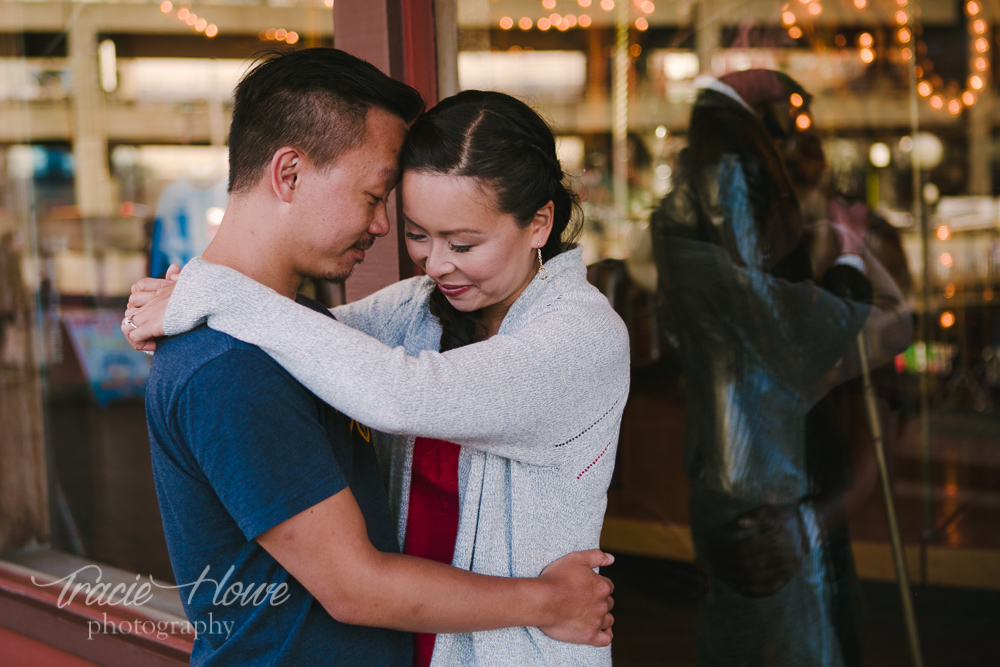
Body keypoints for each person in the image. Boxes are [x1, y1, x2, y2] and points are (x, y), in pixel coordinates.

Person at [123, 50, 616, 667]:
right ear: (290, 175)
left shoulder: (580, 336)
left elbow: (385, 384)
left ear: (539, 223)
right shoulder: (234, 366)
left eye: (463, 242)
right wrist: (198, 296)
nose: (431, 261)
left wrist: (208, 292)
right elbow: (354, 586)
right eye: (407, 223)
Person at [649, 70, 912, 666]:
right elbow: (809, 334)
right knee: (796, 637)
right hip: (768, 469)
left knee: (748, 631)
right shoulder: (738, 218)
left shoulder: (692, 224)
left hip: (746, 463)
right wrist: (850, 263)